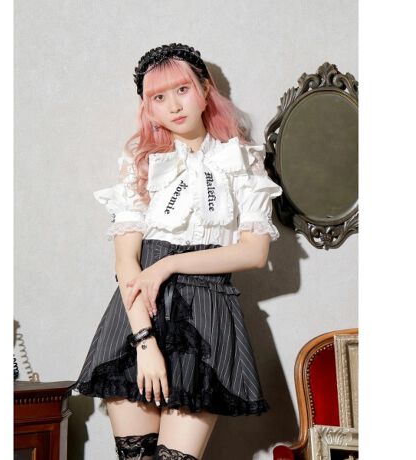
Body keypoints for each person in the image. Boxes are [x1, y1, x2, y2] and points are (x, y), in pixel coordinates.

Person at [73, 43, 283, 460]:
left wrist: (167, 264)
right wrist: (144, 343)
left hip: (206, 316)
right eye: (158, 97)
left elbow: (254, 252)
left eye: (182, 90)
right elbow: (126, 262)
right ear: (148, 108)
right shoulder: (139, 162)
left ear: (204, 90)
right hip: (137, 316)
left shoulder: (242, 160)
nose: (173, 106)